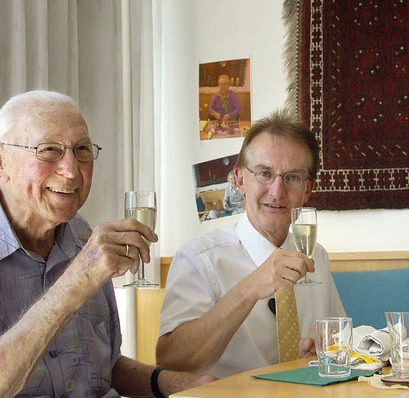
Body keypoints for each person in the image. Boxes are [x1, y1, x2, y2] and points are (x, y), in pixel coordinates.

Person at [0, 90, 214, 397]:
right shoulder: (88, 258)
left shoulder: (82, 235)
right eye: (49, 150)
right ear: (2, 161)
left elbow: (106, 365)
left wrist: (181, 385)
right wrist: (75, 283)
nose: (71, 170)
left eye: (82, 150)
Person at [156, 110, 345, 377]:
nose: (277, 192)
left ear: (308, 189)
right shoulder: (198, 259)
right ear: (240, 180)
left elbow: (339, 334)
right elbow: (170, 362)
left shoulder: (317, 256)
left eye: (292, 177)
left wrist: (327, 347)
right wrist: (250, 287)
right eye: (264, 173)